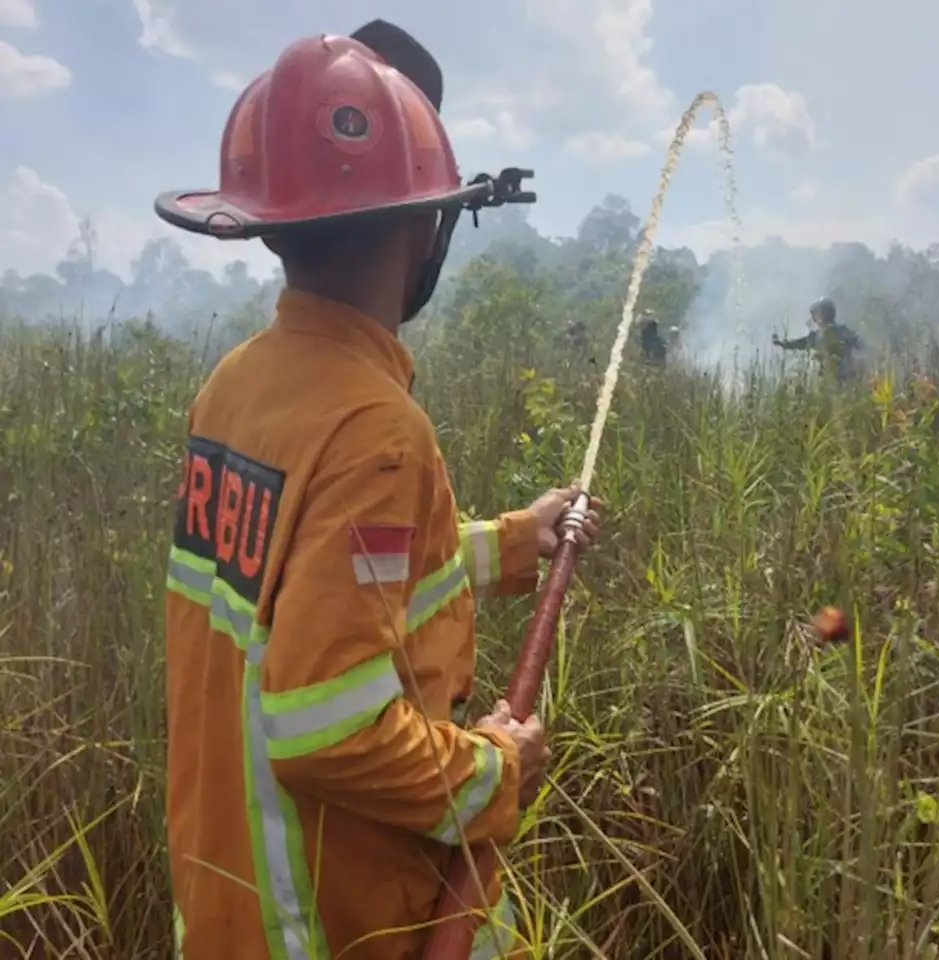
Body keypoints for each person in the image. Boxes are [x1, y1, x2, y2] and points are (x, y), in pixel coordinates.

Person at [155, 24, 603, 960]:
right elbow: (328, 729)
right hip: (327, 920)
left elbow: (329, 577)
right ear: (421, 226)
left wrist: (518, 539)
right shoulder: (375, 427)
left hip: (228, 907)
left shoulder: (237, 385)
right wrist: (493, 769)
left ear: (274, 225)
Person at [772, 296, 863, 383]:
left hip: (843, 376)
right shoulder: (823, 334)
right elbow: (800, 343)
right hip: (833, 377)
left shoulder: (835, 332)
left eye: (818, 313)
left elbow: (859, 343)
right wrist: (782, 343)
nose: (815, 317)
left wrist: (782, 344)